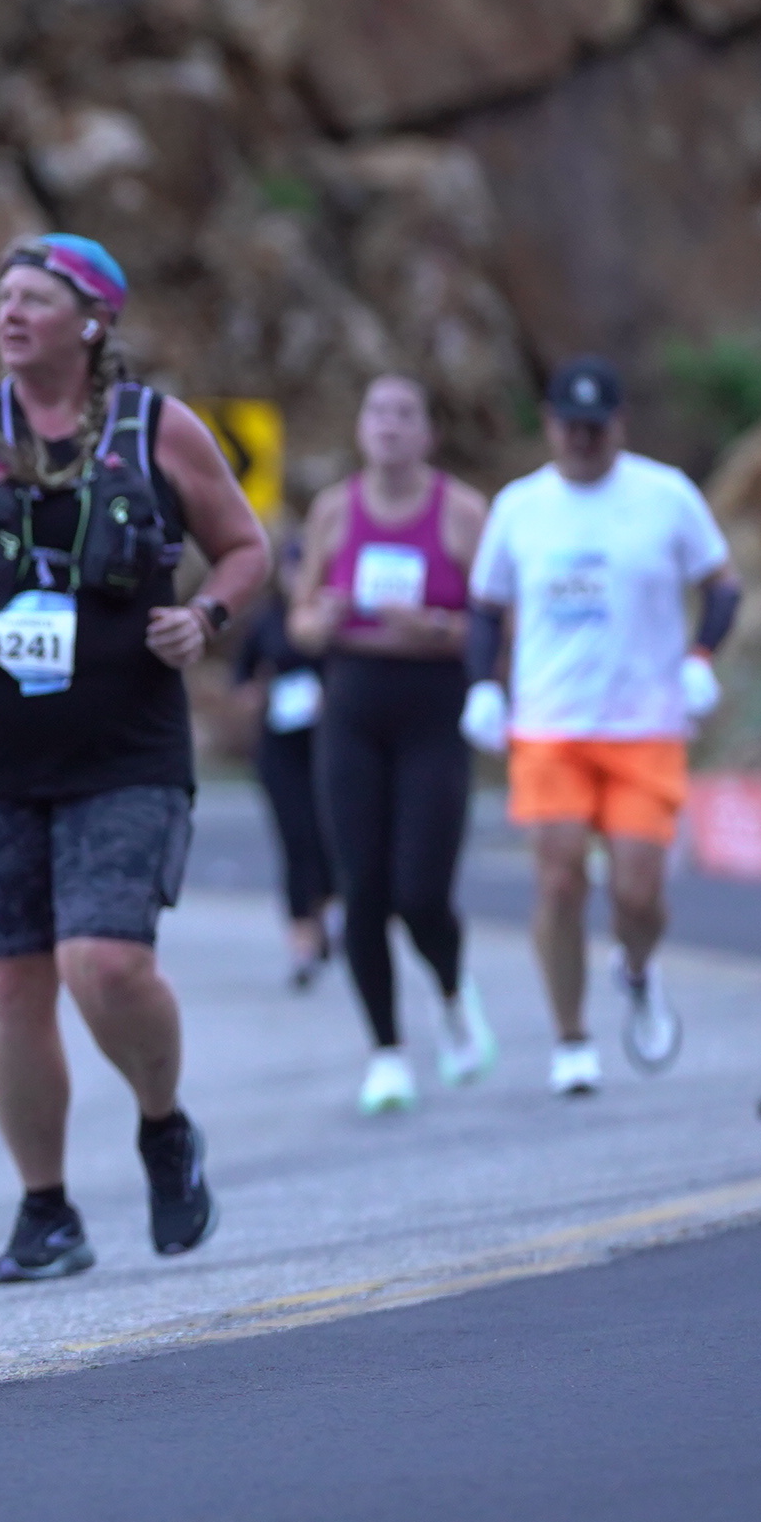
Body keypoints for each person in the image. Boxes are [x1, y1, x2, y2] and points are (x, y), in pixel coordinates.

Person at [0, 233, 268, 1282]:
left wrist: (207, 616)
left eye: (35, 298)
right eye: (3, 296)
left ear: (92, 321)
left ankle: (163, 1123)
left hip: (125, 743)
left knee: (106, 961)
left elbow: (246, 547)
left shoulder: (158, 429)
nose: (11, 313)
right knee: (11, 985)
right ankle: (45, 1209)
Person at [460, 358, 739, 1096]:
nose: (582, 440)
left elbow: (722, 585)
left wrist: (700, 658)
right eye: (569, 427)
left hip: (645, 724)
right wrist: (483, 687)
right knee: (558, 879)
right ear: (550, 426)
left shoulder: (665, 497)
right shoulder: (521, 507)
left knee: (637, 892)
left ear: (619, 426)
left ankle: (637, 968)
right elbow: (485, 608)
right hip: (551, 725)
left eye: (596, 427)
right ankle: (571, 1038)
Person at [292, 375, 496, 1115]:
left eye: (406, 414)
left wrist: (435, 627)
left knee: (420, 892)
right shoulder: (333, 510)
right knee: (363, 891)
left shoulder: (462, 512)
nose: (389, 426)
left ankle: (452, 993)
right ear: (359, 428)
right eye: (376, 412)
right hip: (352, 705)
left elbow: (496, 625)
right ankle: (386, 1052)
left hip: (432, 709)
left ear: (429, 434)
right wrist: (324, 620)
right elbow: (299, 622)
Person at [222, 564, 335, 993]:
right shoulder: (267, 620)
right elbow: (242, 676)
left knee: (331, 836)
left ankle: (330, 914)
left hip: (332, 744)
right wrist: (254, 695)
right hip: (281, 744)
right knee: (295, 838)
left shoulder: (336, 616)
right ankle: (303, 940)